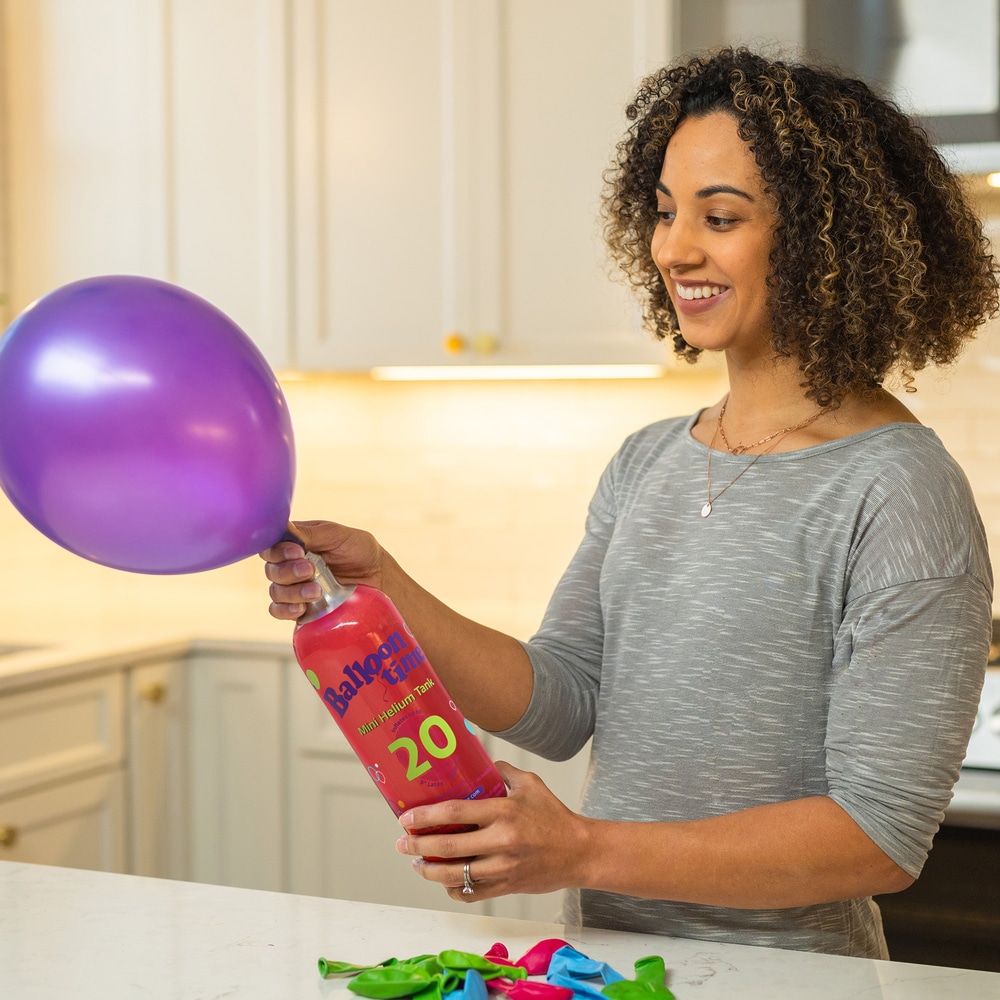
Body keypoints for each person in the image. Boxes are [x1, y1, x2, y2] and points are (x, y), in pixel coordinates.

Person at [261, 48, 996, 958]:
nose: (674, 248)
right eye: (662, 212)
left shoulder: (899, 491)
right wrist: (386, 587)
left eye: (719, 216)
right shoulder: (649, 459)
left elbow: (879, 836)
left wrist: (582, 848)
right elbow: (563, 698)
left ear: (823, 240)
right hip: (617, 969)